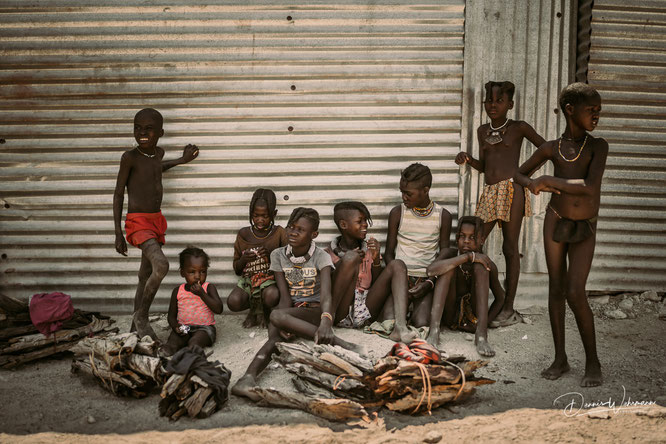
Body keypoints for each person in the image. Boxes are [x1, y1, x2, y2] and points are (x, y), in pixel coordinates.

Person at [515, 82, 606, 387]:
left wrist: (550, 180)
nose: (596, 115)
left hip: (585, 225)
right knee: (556, 288)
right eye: (591, 109)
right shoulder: (551, 148)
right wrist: (532, 185)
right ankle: (560, 359)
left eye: (598, 110)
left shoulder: (597, 146)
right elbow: (518, 173)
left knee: (575, 291)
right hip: (555, 220)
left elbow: (590, 188)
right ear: (570, 110)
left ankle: (593, 362)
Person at [231, 207, 361, 401]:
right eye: (291, 227)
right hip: (294, 311)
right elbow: (284, 297)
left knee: (276, 316)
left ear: (313, 234)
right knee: (275, 328)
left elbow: (326, 295)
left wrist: (326, 320)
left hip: (316, 311)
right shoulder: (278, 255)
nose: (293, 232)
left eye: (300, 229)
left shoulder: (321, 256)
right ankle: (247, 379)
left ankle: (333, 339)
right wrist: (285, 324)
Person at [455, 81, 546, 327]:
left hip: (511, 189)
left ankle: (508, 308)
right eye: (489, 101)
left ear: (510, 104)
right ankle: (480, 301)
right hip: (490, 191)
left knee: (509, 247)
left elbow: (546, 149)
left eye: (499, 101)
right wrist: (468, 159)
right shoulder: (482, 130)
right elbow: (485, 166)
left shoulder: (519, 128)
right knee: (475, 241)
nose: (493, 105)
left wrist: (524, 175)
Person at [113, 108, 199, 340]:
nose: (142, 132)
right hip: (138, 222)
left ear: (160, 132)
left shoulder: (157, 154)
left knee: (145, 274)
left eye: (148, 129)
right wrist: (118, 233)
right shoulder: (129, 157)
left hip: (155, 220)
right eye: (138, 128)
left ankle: (134, 328)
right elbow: (119, 194)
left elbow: (155, 168)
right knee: (161, 265)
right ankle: (142, 315)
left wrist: (182, 160)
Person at [325, 201, 416, 343]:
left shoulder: (369, 249)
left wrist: (376, 259)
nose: (365, 224)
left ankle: (400, 327)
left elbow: (377, 284)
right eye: (359, 221)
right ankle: (327, 323)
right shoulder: (327, 254)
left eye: (366, 221)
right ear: (343, 225)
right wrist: (348, 261)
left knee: (397, 264)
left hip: (366, 308)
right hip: (341, 312)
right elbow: (329, 289)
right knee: (351, 257)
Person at [383, 163, 452, 339]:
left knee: (421, 322)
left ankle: (413, 311)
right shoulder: (398, 213)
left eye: (409, 194)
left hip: (424, 281)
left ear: (426, 190)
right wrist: (399, 282)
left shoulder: (443, 216)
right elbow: (389, 253)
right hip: (400, 280)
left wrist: (428, 282)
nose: (404, 197)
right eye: (402, 192)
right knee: (388, 321)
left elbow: (444, 252)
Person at [424, 216, 505, 355]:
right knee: (447, 267)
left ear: (482, 240)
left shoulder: (487, 263)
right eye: (462, 236)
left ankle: (481, 336)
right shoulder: (448, 253)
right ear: (457, 238)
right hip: (450, 315)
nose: (466, 241)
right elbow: (431, 270)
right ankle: (434, 331)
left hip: (473, 318)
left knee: (481, 267)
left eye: (472, 237)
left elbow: (501, 298)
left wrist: (484, 322)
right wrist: (467, 257)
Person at [226, 189, 287, 328]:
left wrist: (271, 256)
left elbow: (288, 263)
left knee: (271, 295)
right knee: (233, 301)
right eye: (255, 215)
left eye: (265, 216)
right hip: (248, 280)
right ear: (250, 214)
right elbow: (236, 268)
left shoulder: (279, 233)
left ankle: (264, 311)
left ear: (274, 214)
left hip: (270, 280)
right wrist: (243, 260)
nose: (260, 220)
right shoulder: (243, 234)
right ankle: (254, 311)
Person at [160, 247, 223, 356]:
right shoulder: (177, 291)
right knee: (173, 341)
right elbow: (171, 316)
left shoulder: (208, 288)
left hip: (204, 328)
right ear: (182, 273)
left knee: (195, 343)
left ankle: (190, 355)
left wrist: (202, 294)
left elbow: (219, 309)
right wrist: (176, 326)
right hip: (186, 327)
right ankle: (166, 353)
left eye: (202, 271)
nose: (198, 276)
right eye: (192, 272)